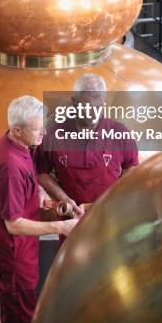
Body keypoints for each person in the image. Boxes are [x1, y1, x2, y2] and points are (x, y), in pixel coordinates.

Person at [0, 95, 78, 323]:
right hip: (13, 249)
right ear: (17, 130)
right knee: (19, 312)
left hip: (23, 246)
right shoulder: (9, 166)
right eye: (38, 129)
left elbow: (28, 178)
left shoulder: (20, 144)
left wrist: (38, 193)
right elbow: (13, 224)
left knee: (22, 301)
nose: (44, 134)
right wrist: (61, 226)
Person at [36, 73, 139, 219]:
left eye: (98, 107)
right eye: (86, 107)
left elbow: (131, 168)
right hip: (71, 218)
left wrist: (111, 200)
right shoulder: (53, 135)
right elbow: (42, 173)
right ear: (74, 102)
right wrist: (65, 199)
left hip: (111, 216)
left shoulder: (120, 133)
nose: (93, 114)